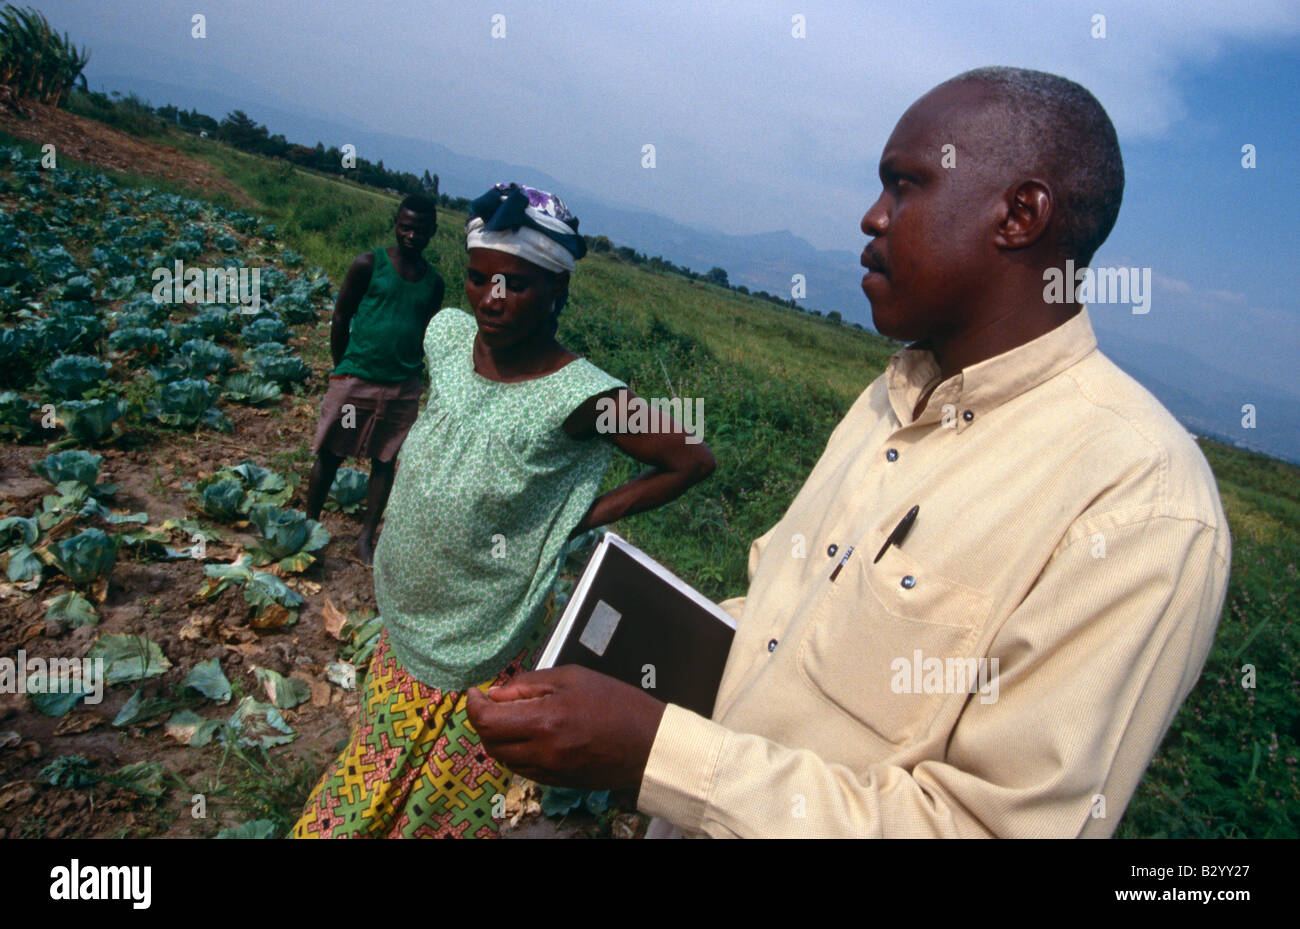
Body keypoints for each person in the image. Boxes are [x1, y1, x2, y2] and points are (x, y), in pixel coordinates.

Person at [466, 68, 1232, 838]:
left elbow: (985, 828)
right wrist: (632, 666)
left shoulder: (1140, 499)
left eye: (905, 186)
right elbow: (778, 627)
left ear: (1020, 215)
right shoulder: (888, 399)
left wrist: (654, 750)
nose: (872, 217)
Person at [293, 182, 716, 838]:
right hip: (408, 612)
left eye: (515, 284)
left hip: (489, 632)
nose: (491, 297)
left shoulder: (581, 394)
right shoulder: (446, 334)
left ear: (557, 293)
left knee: (438, 804)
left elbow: (689, 459)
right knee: (371, 763)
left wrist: (581, 515)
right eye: (478, 276)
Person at [306, 193, 445, 564]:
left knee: (384, 461)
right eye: (405, 227)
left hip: (402, 387)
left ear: (432, 231)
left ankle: (365, 538)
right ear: (396, 225)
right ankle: (308, 526)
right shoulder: (368, 264)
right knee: (332, 452)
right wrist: (343, 369)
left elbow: (426, 330)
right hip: (357, 379)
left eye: (419, 230)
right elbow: (340, 317)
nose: (411, 236)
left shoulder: (433, 282)